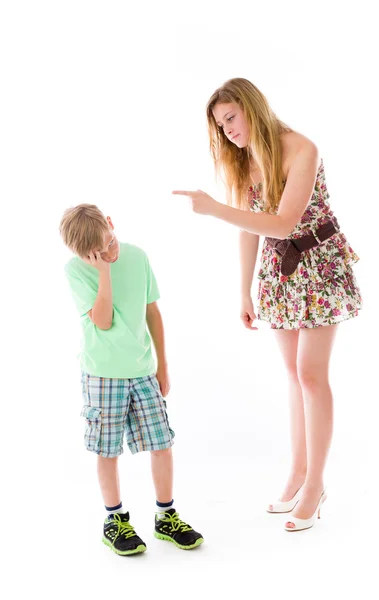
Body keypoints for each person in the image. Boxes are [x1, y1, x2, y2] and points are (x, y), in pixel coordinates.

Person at [173, 78, 362, 532]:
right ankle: (298, 472)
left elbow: (283, 221)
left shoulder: (301, 149)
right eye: (221, 125)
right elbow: (251, 227)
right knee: (294, 375)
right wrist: (244, 289)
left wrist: (214, 208)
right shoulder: (244, 160)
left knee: (312, 375)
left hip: (318, 267)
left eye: (231, 118)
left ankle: (316, 483)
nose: (228, 131)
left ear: (252, 108)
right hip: (280, 273)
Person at [60, 204, 203, 554]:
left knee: (162, 443)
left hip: (142, 370)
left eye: (110, 241)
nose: (110, 251)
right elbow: (104, 321)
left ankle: (165, 516)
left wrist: (163, 365)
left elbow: (152, 311)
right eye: (99, 252)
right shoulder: (76, 270)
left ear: (112, 224)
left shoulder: (138, 257)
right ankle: (115, 520)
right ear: (84, 255)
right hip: (103, 374)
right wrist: (104, 271)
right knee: (107, 450)